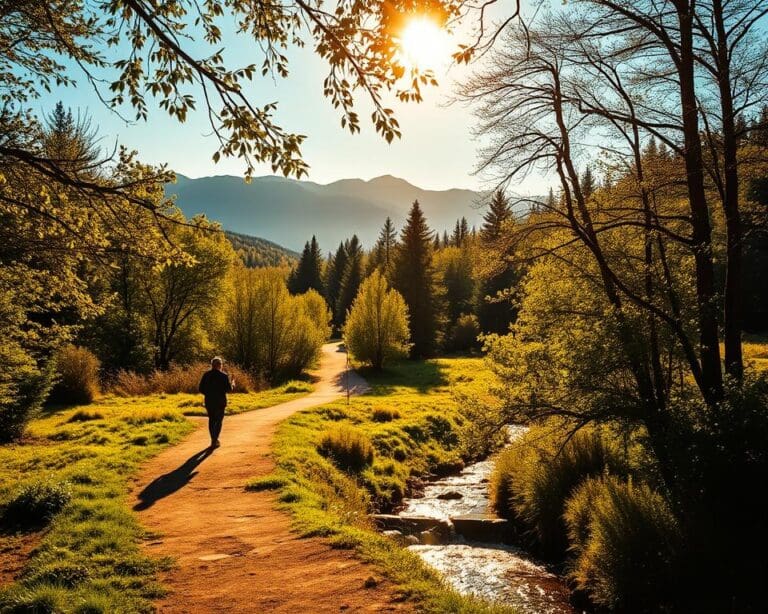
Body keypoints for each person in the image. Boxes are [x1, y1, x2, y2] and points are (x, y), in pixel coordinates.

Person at [198, 357, 233, 449]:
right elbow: (228, 389)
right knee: (219, 421)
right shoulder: (224, 376)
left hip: (209, 401)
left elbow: (200, 389)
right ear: (219, 365)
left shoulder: (206, 375)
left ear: (212, 365)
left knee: (211, 420)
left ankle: (213, 439)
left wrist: (209, 394)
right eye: (221, 364)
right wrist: (232, 384)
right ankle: (215, 439)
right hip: (220, 401)